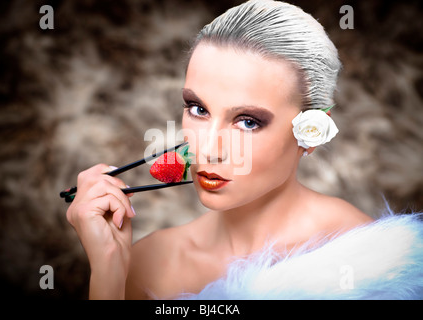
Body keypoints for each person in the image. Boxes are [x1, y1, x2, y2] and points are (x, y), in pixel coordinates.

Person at [66, 0, 423, 300]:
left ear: (310, 133)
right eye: (198, 109)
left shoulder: (367, 258)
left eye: (248, 121)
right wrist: (109, 273)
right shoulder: (147, 262)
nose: (208, 147)